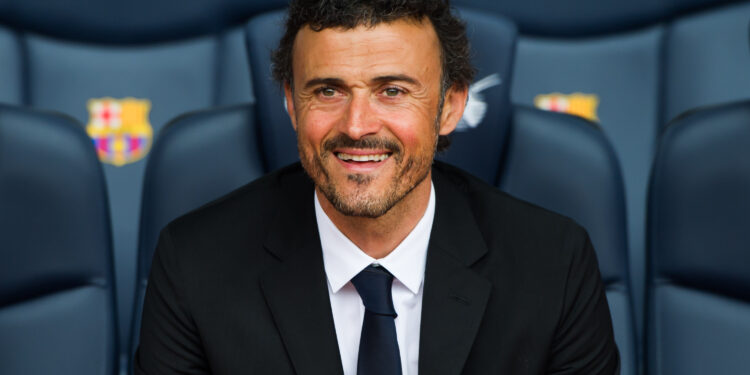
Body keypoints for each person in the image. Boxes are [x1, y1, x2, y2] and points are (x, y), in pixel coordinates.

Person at [134, 0, 620, 374]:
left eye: (392, 91)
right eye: (328, 90)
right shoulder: (195, 264)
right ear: (289, 103)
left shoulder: (553, 265)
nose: (358, 125)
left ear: (450, 107)